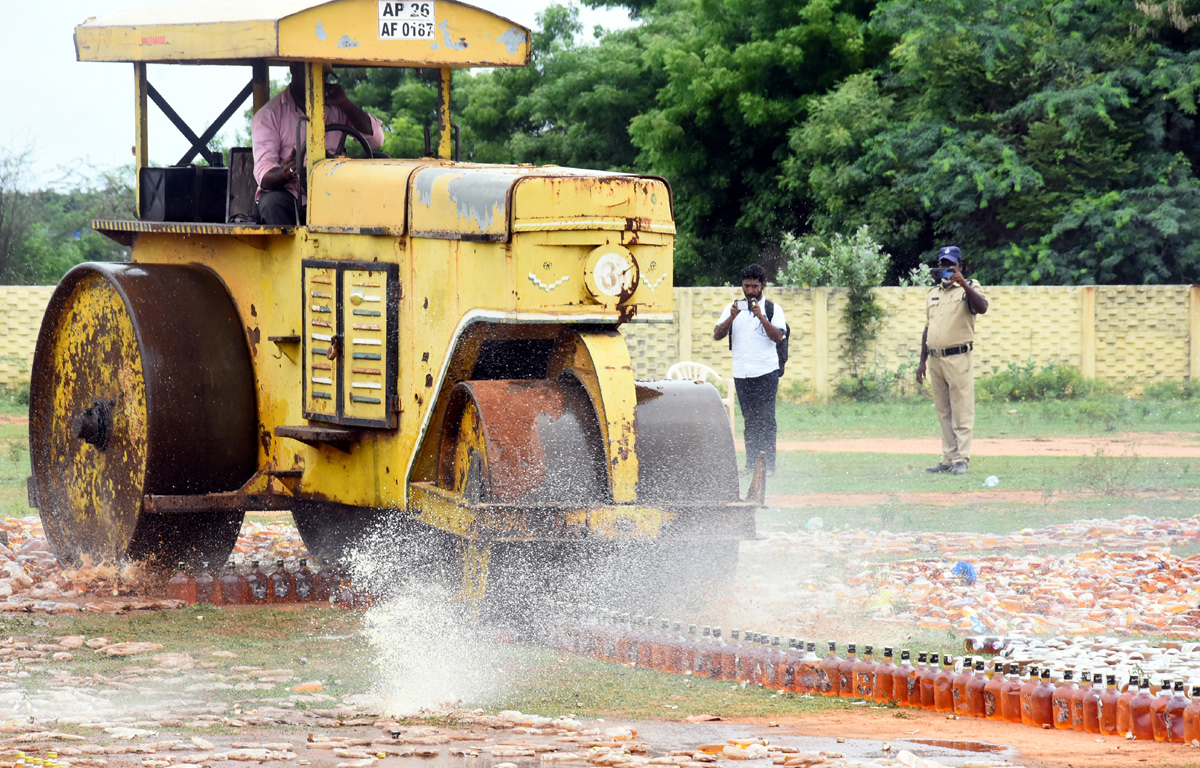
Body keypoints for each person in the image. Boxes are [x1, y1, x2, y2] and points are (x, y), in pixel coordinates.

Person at [252, 63, 385, 225]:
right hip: (292, 194)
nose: (317, 80)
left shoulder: (337, 107)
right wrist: (288, 171)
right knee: (273, 203)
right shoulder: (269, 115)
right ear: (293, 69)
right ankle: (287, 250)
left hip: (337, 189)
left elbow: (376, 140)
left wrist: (345, 104)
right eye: (311, 73)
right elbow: (264, 176)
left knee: (382, 160)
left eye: (323, 76)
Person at [916, 246, 989, 475]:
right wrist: (922, 362)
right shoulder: (933, 293)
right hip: (935, 359)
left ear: (960, 266)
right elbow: (927, 329)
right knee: (943, 411)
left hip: (958, 358)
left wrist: (963, 283)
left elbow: (982, 307)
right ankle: (948, 458)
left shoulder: (970, 288)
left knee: (961, 410)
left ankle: (961, 459)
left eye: (952, 265)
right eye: (943, 265)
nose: (947, 269)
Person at [713, 264, 787, 476]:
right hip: (742, 374)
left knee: (766, 420)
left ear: (763, 285)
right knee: (750, 421)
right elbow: (717, 334)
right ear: (742, 285)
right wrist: (732, 317)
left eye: (755, 286)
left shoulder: (773, 309)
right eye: (747, 286)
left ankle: (768, 466)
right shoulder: (733, 308)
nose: (751, 291)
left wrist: (762, 317)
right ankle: (752, 464)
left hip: (766, 372)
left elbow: (778, 337)